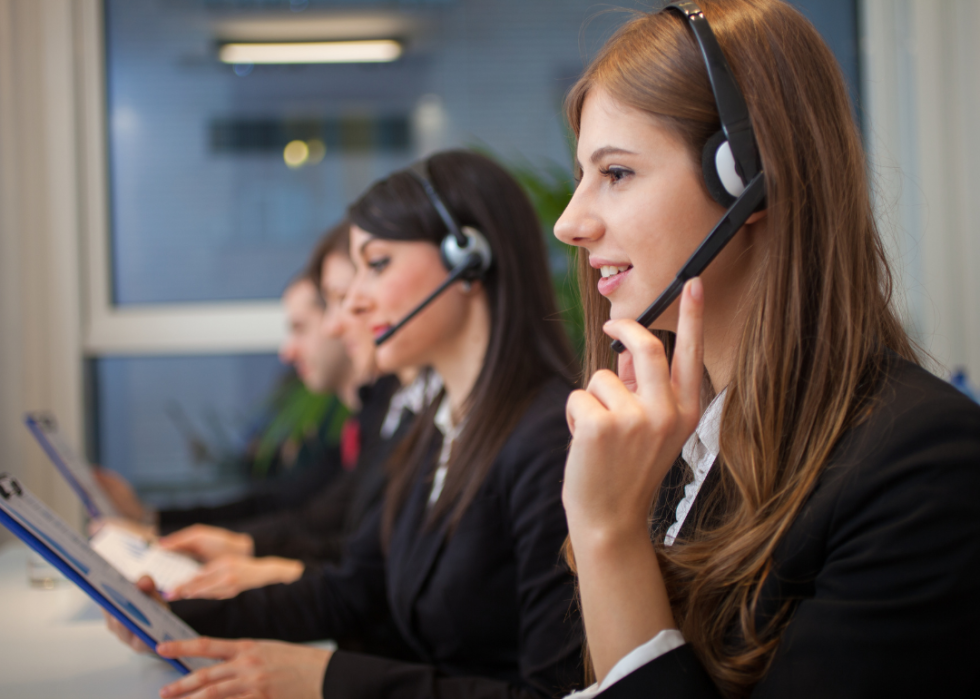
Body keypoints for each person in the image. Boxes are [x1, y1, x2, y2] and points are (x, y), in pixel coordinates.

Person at [553, 1, 980, 697]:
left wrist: (608, 536)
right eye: (583, 174)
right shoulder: (675, 445)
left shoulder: (923, 465)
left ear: (744, 178)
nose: (570, 222)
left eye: (618, 173)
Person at [108, 150, 584, 699]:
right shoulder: (439, 424)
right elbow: (355, 588)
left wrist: (329, 680)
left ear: (468, 259)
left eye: (376, 264)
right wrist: (178, 618)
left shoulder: (549, 439)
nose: (355, 302)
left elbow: (555, 694)